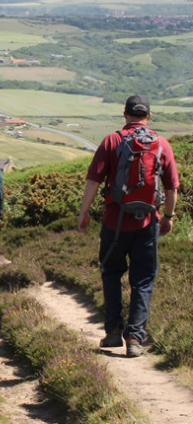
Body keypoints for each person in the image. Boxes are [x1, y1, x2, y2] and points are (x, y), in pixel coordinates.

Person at [78, 94, 179, 358]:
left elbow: (93, 180)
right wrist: (168, 216)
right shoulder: (162, 144)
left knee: (111, 274)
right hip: (147, 223)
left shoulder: (112, 140)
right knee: (143, 281)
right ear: (149, 117)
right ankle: (135, 338)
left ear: (125, 115)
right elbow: (172, 187)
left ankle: (113, 332)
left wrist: (84, 213)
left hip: (114, 222)